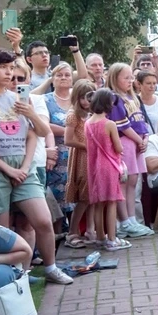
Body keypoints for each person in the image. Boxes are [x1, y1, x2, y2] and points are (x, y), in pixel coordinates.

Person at [0, 47, 71, 285]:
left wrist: (31, 114)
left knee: (43, 220)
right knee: (1, 231)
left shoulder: (18, 98)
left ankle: (51, 268)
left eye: (11, 68)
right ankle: (10, 278)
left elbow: (37, 133)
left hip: (23, 166)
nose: (9, 73)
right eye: (3, 67)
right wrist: (7, 169)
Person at [106, 62, 153, 238]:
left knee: (133, 181)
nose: (130, 81)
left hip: (137, 143)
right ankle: (124, 221)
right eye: (126, 78)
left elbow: (141, 121)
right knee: (123, 182)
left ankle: (132, 220)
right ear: (114, 78)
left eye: (131, 77)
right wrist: (139, 140)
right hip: (126, 142)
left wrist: (145, 138)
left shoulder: (133, 98)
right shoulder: (114, 98)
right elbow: (123, 125)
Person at [85, 88, 132, 251]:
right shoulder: (109, 124)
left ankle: (100, 237)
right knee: (111, 202)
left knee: (99, 203)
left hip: (94, 166)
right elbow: (118, 147)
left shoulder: (88, 123)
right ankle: (112, 239)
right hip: (109, 166)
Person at [63, 79, 97, 248]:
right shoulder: (73, 116)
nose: (86, 101)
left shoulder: (92, 114)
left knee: (92, 197)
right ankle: (72, 232)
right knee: (84, 197)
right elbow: (68, 140)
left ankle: (90, 229)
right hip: (82, 158)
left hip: (93, 158)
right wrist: (87, 146)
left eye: (89, 97)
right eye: (82, 97)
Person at [42, 62, 74, 222]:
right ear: (52, 79)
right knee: (54, 192)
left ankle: (75, 229)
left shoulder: (77, 99)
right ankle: (58, 228)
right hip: (54, 153)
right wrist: (70, 130)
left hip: (76, 153)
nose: (63, 78)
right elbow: (43, 124)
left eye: (67, 75)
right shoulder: (45, 100)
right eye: (59, 75)